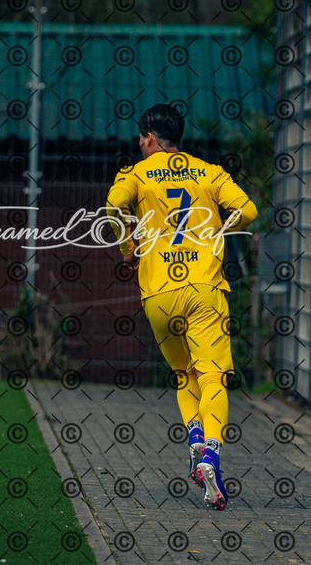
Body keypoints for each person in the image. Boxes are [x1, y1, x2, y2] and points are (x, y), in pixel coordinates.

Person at [106, 103, 258, 511]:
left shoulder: (135, 174)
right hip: (204, 289)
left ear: (149, 138)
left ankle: (194, 434)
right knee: (212, 376)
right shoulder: (210, 172)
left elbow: (113, 207)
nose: (140, 144)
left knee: (184, 372)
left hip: (159, 293)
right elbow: (248, 210)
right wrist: (218, 232)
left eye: (140, 138)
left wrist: (127, 247)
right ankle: (211, 454)